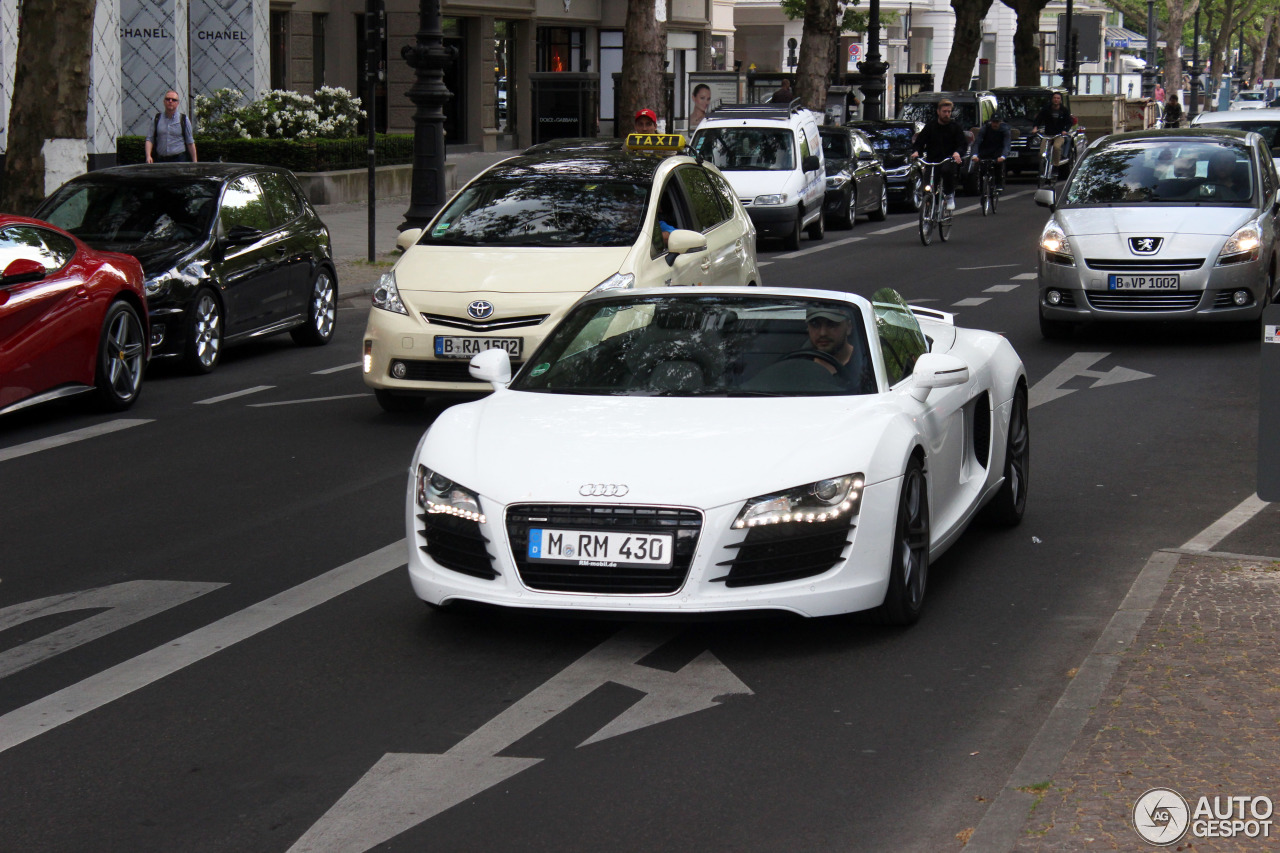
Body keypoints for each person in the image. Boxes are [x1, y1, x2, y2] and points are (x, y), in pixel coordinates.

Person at [910, 99, 966, 211]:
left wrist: (957, 153)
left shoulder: (955, 127)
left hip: (948, 159)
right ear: (938, 112)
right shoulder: (930, 126)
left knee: (946, 171)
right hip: (932, 160)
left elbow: (962, 144)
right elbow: (920, 142)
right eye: (944, 111)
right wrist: (916, 152)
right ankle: (928, 202)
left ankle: (949, 195)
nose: (947, 114)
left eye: (949, 112)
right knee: (927, 185)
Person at [145, 90, 197, 164]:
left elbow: (190, 142)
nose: (170, 101)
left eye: (173, 100)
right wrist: (148, 156)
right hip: (161, 160)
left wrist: (195, 162)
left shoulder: (183, 119)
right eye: (168, 99)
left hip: (179, 160)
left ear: (177, 103)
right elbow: (149, 139)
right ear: (164, 101)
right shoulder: (157, 119)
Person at [1032, 91, 1075, 170]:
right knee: (1042, 152)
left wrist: (1065, 130)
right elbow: (1039, 119)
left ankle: (1055, 166)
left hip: (1059, 135)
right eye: (1054, 98)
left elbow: (1069, 122)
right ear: (1052, 99)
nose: (1056, 100)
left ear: (1060, 100)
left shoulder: (1064, 110)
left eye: (1058, 98)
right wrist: (1035, 127)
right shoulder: (1046, 109)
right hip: (1048, 134)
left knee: (1056, 147)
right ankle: (1043, 166)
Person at [971, 113, 1011, 191]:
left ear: (1000, 122)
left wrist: (1003, 156)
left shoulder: (1005, 130)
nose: (995, 124)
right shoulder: (985, 128)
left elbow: (1007, 144)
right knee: (982, 168)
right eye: (993, 122)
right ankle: (982, 186)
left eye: (997, 122)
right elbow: (977, 142)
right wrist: (975, 155)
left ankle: (998, 184)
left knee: (998, 166)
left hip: (998, 151)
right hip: (985, 150)